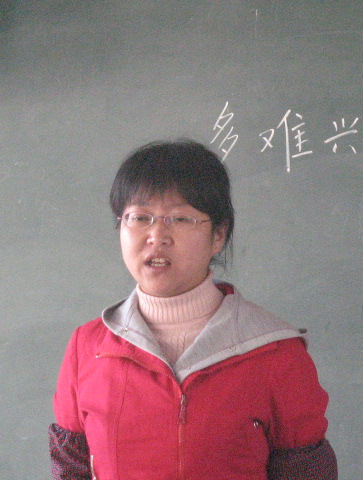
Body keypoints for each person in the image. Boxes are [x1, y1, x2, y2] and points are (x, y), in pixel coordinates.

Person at [49, 140, 338, 480]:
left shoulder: (275, 352)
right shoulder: (88, 348)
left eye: (181, 218)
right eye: (139, 217)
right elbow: (70, 469)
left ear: (219, 235)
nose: (157, 236)